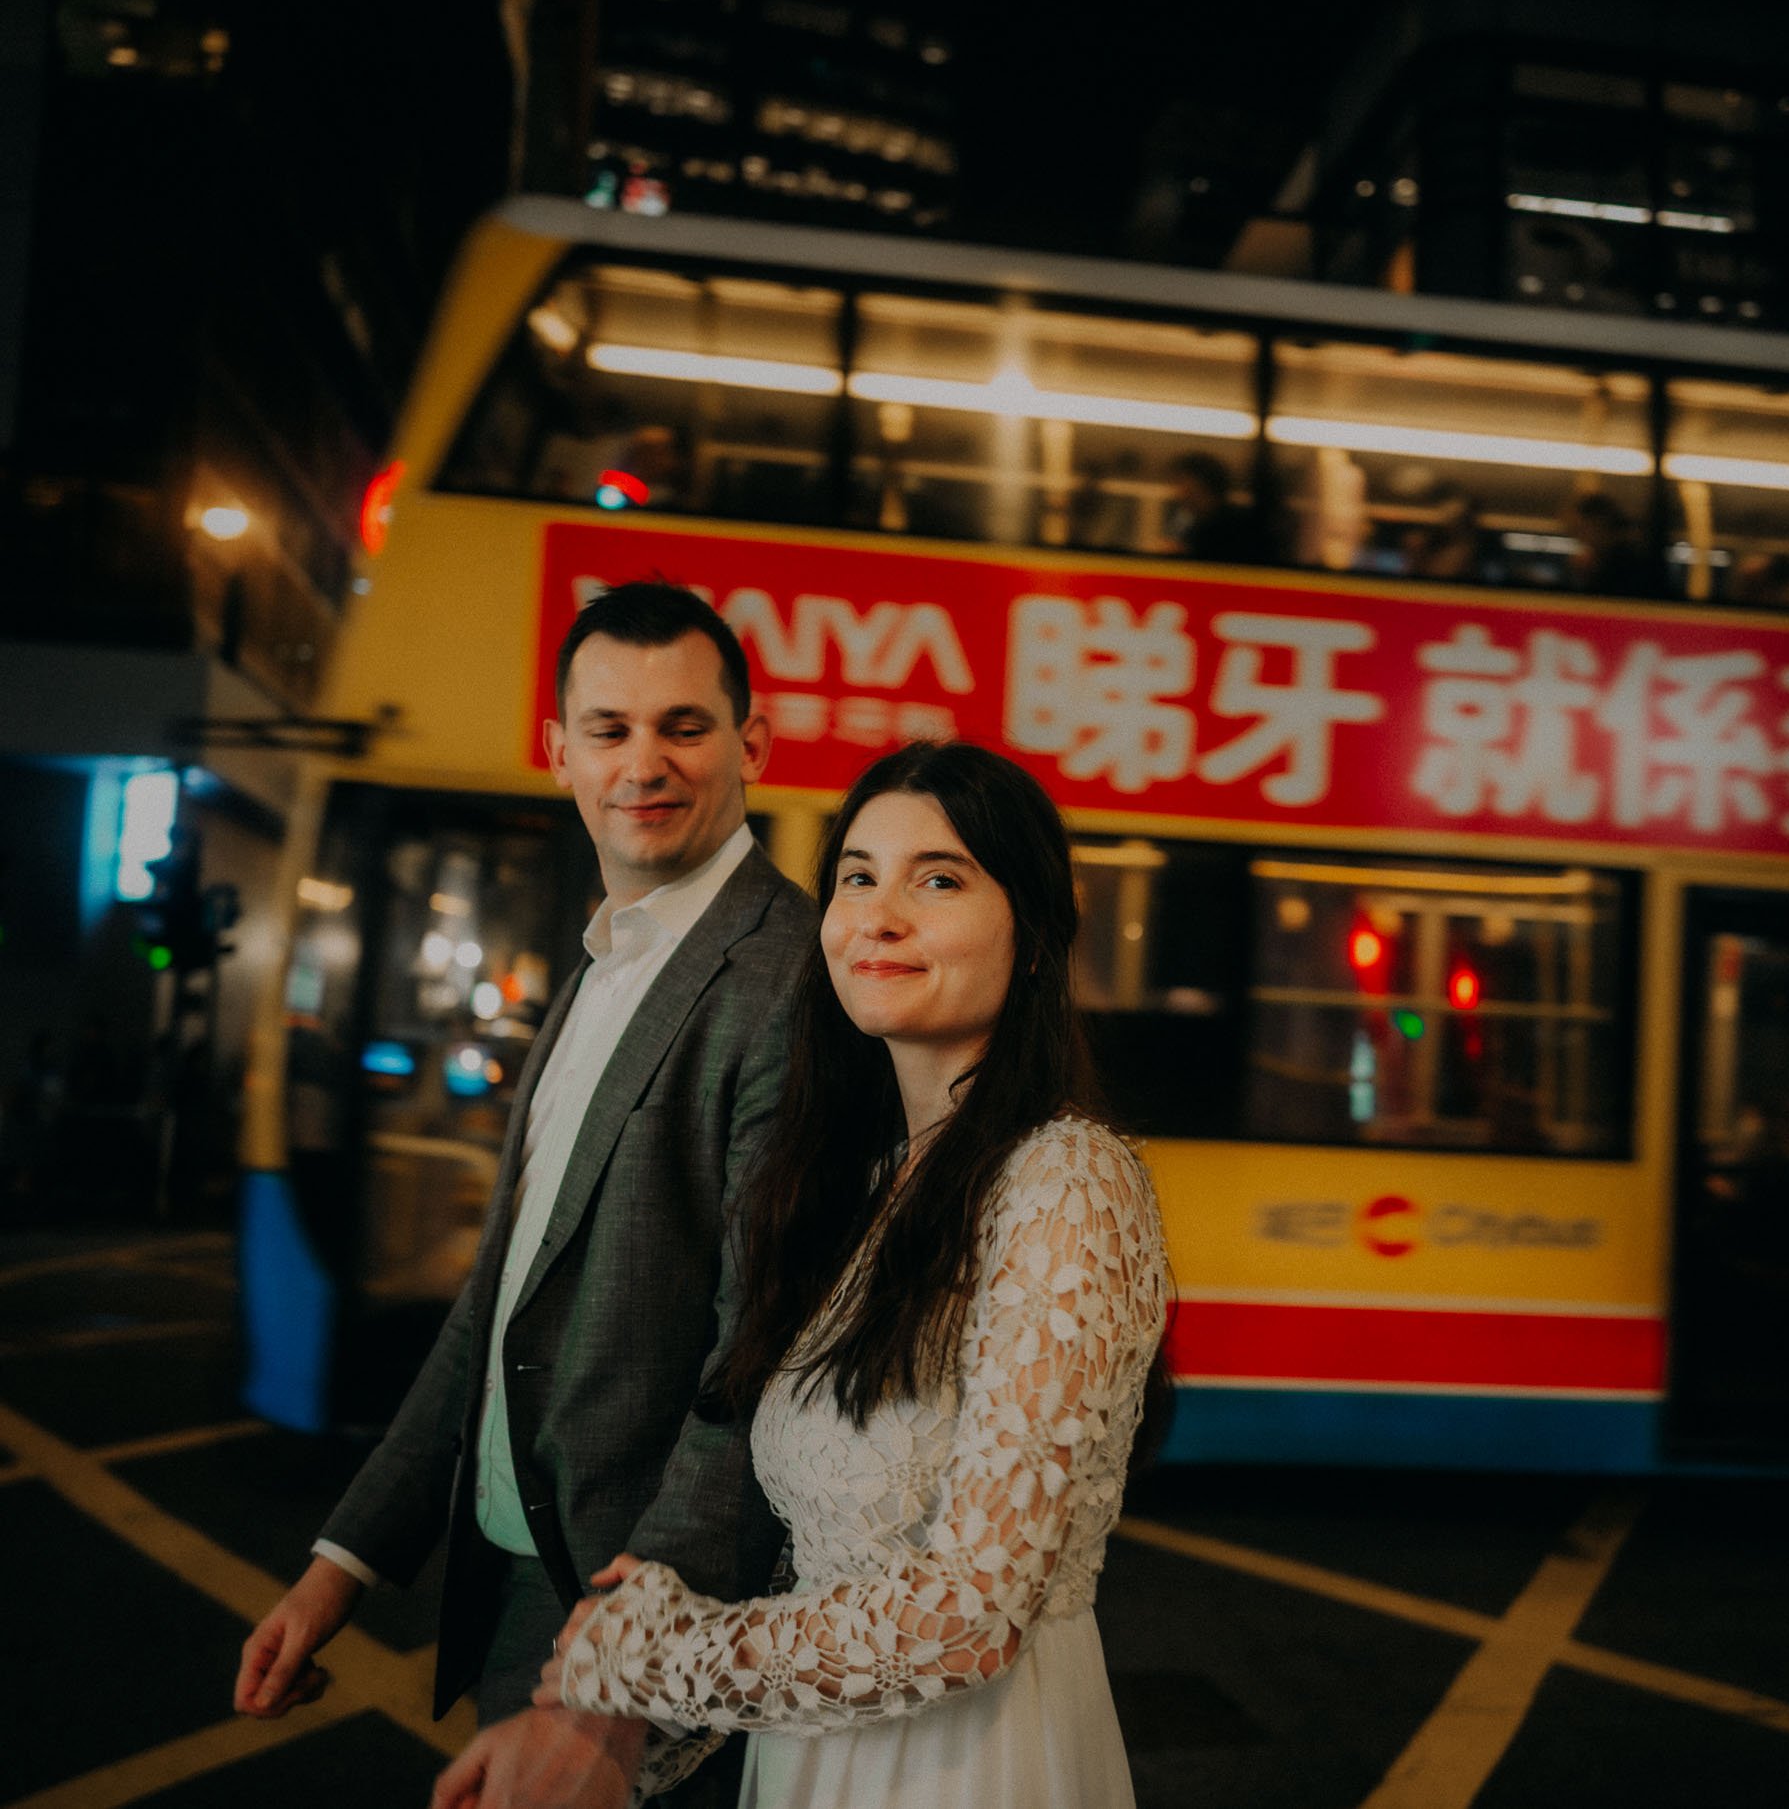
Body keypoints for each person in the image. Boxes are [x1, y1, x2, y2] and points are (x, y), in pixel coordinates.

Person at [493, 741, 1172, 1809]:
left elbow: (974, 1614)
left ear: (1035, 938)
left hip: (967, 1768)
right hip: (821, 1752)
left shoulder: (1065, 1179)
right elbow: (829, 1553)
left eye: (937, 880)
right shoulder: (868, 1184)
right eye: (857, 876)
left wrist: (655, 1659)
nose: (878, 917)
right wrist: (621, 1722)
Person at [236, 581, 817, 1805]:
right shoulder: (600, 963)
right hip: (515, 1583)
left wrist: (606, 1695)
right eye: (609, 729)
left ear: (753, 745)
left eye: (685, 726)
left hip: (636, 1623)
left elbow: (759, 1365)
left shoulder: (791, 983)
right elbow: (495, 1306)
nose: (643, 763)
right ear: (558, 752)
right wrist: (342, 1564)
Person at [1164, 450, 1267, 565]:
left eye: (1182, 484)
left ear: (1200, 487)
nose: (1178, 494)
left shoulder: (1233, 527)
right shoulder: (1195, 524)